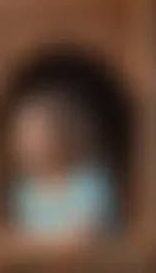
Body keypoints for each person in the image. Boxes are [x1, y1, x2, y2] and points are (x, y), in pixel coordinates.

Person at [8, 90, 116, 245]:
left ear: (66, 133)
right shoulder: (24, 189)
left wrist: (33, 242)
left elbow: (84, 234)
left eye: (39, 133)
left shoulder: (91, 182)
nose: (31, 143)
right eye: (24, 134)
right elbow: (16, 234)